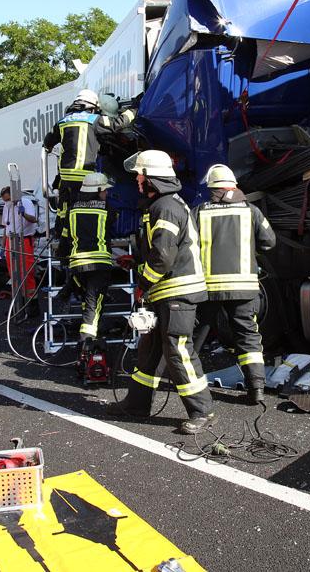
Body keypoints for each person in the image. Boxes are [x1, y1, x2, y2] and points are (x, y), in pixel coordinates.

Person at [109, 150, 215, 435]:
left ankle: (202, 411)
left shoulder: (165, 207)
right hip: (167, 291)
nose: (137, 181)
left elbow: (164, 258)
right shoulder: (163, 205)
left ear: (151, 179)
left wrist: (143, 283)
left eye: (140, 176)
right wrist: (137, 262)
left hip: (178, 292)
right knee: (150, 350)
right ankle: (137, 403)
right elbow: (162, 251)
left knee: (178, 349)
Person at [193, 164, 276, 405]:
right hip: (244, 287)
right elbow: (269, 242)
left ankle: (186, 384)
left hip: (208, 288)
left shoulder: (199, 212)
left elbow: (187, 245)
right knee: (248, 336)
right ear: (234, 186)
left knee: (196, 334)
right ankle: (256, 389)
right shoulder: (251, 211)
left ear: (212, 188)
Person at [41, 89, 137, 256]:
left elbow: (48, 142)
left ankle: (64, 247)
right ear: (92, 107)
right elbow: (117, 124)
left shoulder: (62, 122)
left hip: (65, 178)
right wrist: (134, 109)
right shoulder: (94, 120)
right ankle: (92, 244)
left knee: (66, 212)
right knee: (92, 211)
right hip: (85, 178)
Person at [66, 173, 114, 351]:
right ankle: (86, 341)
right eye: (105, 191)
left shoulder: (73, 209)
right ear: (98, 190)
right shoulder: (107, 209)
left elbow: (65, 235)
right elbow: (112, 229)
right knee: (94, 303)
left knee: (88, 301)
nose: (106, 194)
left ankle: (91, 336)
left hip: (77, 266)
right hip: (99, 264)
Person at [1, 186, 40, 318]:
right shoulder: (6, 206)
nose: (7, 202)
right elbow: (6, 227)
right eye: (5, 200)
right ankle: (18, 304)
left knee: (27, 273)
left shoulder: (26, 203)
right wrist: (3, 245)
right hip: (10, 241)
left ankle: (32, 305)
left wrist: (23, 214)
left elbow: (33, 219)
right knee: (14, 274)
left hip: (24, 240)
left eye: (8, 199)